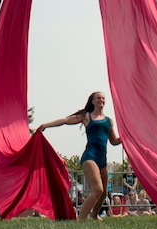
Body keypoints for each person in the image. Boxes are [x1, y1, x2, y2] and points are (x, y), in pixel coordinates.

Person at [38, 91, 122, 221]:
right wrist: (46, 125)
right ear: (93, 101)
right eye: (98, 98)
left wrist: (126, 138)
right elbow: (66, 121)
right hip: (90, 156)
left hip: (102, 159)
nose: (101, 100)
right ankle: (81, 220)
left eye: (103, 98)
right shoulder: (86, 116)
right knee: (97, 190)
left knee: (104, 192)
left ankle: (94, 215)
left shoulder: (109, 121)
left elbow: (114, 141)